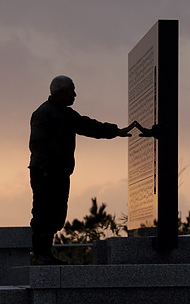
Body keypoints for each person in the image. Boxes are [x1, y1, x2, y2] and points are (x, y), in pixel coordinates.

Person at [28, 75, 134, 265]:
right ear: (61, 93)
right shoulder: (42, 114)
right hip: (44, 175)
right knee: (43, 214)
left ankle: (46, 254)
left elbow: (89, 126)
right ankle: (40, 255)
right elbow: (37, 145)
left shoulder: (67, 115)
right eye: (72, 91)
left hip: (60, 174)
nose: (75, 95)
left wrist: (116, 131)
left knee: (57, 215)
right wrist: (45, 171)